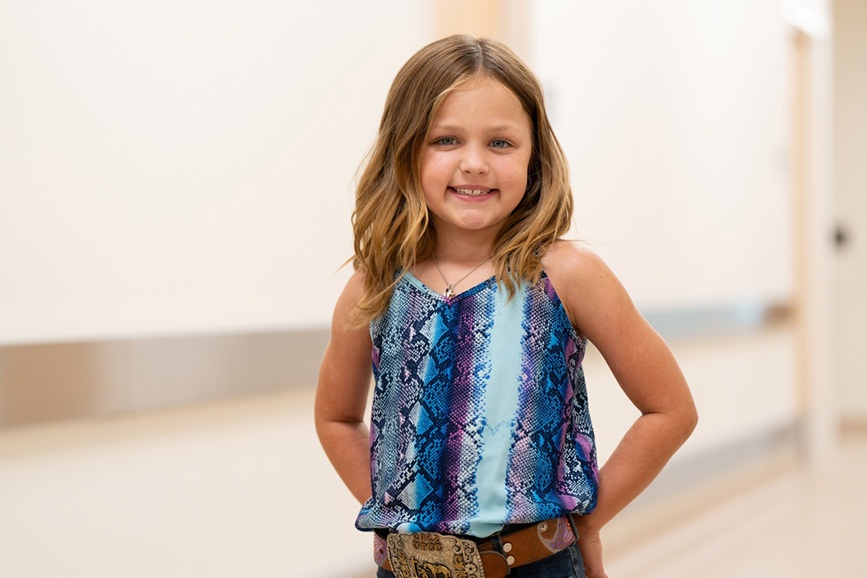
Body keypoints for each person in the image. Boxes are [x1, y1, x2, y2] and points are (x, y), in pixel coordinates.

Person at [315, 34, 697, 578]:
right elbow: (335, 417)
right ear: (404, 149)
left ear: (534, 155)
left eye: (500, 143)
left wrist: (588, 523)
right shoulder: (374, 286)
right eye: (445, 140)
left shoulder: (567, 276)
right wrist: (399, 511)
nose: (474, 163)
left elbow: (671, 409)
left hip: (535, 566)